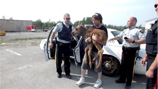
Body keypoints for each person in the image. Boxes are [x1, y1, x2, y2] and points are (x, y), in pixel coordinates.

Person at [109, 17, 146, 88]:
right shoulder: (125, 30)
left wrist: (133, 41)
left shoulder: (138, 30)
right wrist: (113, 38)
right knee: (123, 65)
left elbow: (144, 40)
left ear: (134, 22)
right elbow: (119, 36)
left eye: (129, 21)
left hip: (132, 51)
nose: (127, 22)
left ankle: (128, 83)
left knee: (130, 68)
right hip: (125, 50)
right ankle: (122, 79)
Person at [76, 13, 108, 88]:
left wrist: (96, 40)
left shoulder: (104, 29)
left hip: (97, 51)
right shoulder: (91, 28)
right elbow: (86, 40)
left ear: (99, 20)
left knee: (98, 66)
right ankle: (82, 78)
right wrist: (87, 40)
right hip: (89, 49)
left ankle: (99, 80)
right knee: (84, 64)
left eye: (95, 20)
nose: (93, 22)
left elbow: (105, 43)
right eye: (93, 20)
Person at [49, 13, 74, 79]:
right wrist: (50, 42)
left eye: (69, 18)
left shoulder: (71, 27)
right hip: (60, 45)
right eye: (67, 18)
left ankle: (67, 73)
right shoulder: (59, 25)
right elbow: (53, 33)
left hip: (67, 45)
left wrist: (76, 39)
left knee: (67, 60)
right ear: (64, 18)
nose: (68, 20)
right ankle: (59, 73)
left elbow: (74, 34)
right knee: (58, 60)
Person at [141, 0, 158, 88]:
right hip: (152, 60)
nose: (156, 8)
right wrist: (147, 55)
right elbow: (153, 41)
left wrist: (151, 68)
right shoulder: (156, 23)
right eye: (155, 6)